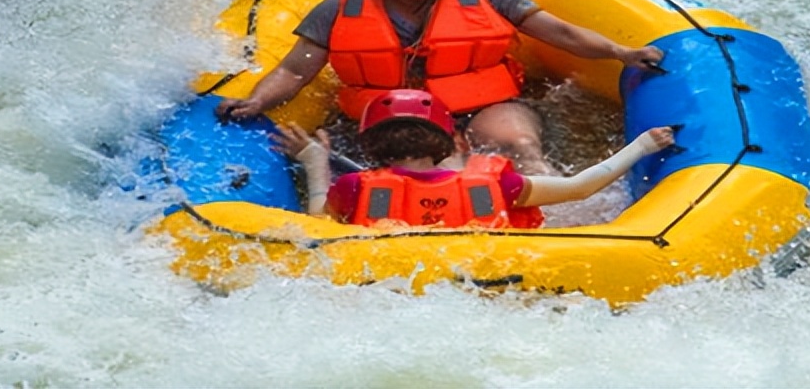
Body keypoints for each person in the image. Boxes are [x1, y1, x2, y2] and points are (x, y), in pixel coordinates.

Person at [218, 0, 663, 174]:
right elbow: (296, 69)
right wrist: (257, 101)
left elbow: (559, 32)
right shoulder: (342, 6)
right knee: (395, 168)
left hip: (484, 103)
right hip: (390, 110)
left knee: (519, 145)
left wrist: (621, 53)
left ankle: (548, 218)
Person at [273, 89, 675, 229]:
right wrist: (641, 145)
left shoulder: (355, 187)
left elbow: (317, 230)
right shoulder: (499, 184)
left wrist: (314, 162)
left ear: (369, 148)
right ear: (451, 142)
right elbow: (580, 187)